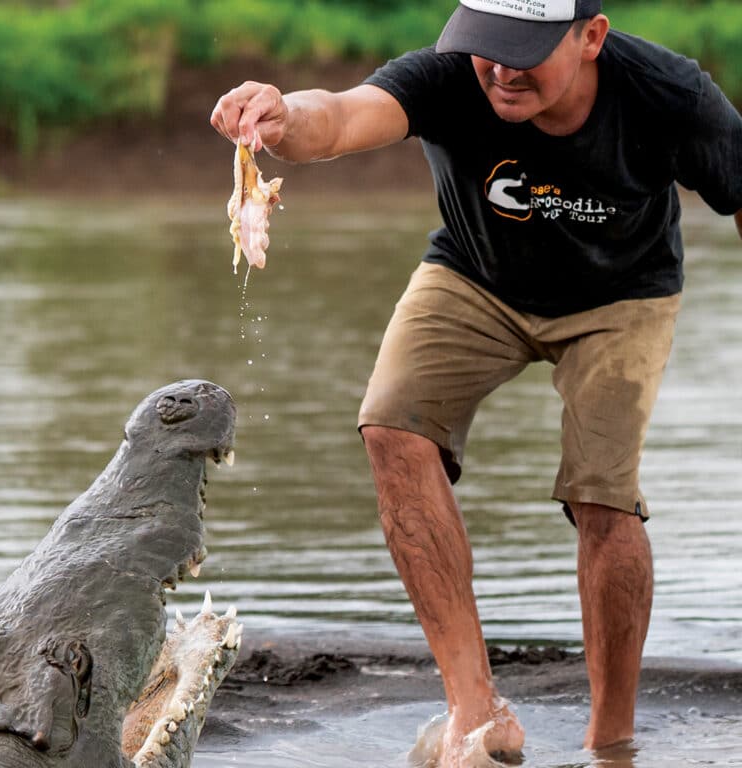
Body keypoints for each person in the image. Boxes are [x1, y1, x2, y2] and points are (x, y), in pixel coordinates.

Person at [211, 0, 742, 764]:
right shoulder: (448, 78)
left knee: (601, 492)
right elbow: (341, 115)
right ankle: (476, 712)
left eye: (524, 49)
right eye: (487, 45)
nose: (500, 68)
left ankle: (611, 742)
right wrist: (282, 114)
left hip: (621, 294)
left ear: (591, 37)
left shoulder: (669, 94)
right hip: (476, 275)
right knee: (391, 425)